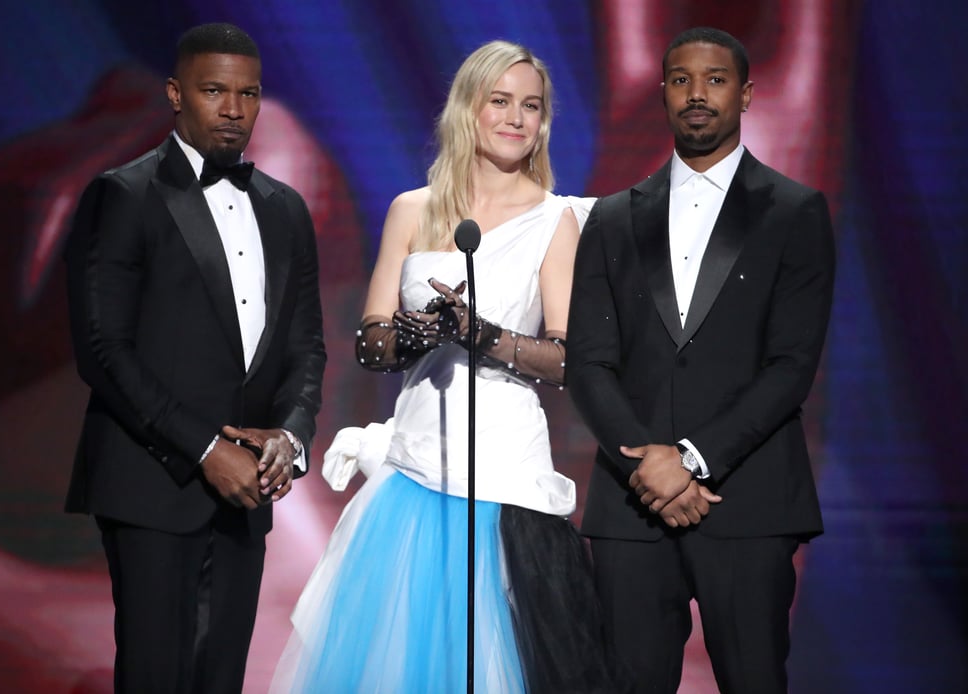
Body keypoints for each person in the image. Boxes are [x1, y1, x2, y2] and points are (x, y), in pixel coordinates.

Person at [272, 40, 620, 693]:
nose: (518, 118)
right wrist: (416, 334)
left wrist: (478, 333)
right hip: (414, 472)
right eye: (501, 101)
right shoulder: (413, 210)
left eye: (532, 106)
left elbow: (568, 357)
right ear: (468, 108)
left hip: (505, 475)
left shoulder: (556, 222)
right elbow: (370, 344)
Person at [566, 26, 835, 694]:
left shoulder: (795, 213)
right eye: (682, 79)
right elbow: (589, 363)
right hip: (632, 509)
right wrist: (649, 464)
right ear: (662, 93)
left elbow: (791, 365)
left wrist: (687, 459)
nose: (697, 94)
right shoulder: (611, 218)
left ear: (745, 94)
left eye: (715, 80)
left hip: (748, 501)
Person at [63, 22, 326, 693]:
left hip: (246, 496)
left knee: (221, 677)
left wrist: (289, 441)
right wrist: (209, 450)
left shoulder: (286, 209)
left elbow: (304, 345)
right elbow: (102, 350)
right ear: (177, 94)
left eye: (248, 93)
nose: (234, 108)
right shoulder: (124, 195)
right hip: (155, 483)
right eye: (215, 91)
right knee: (156, 674)